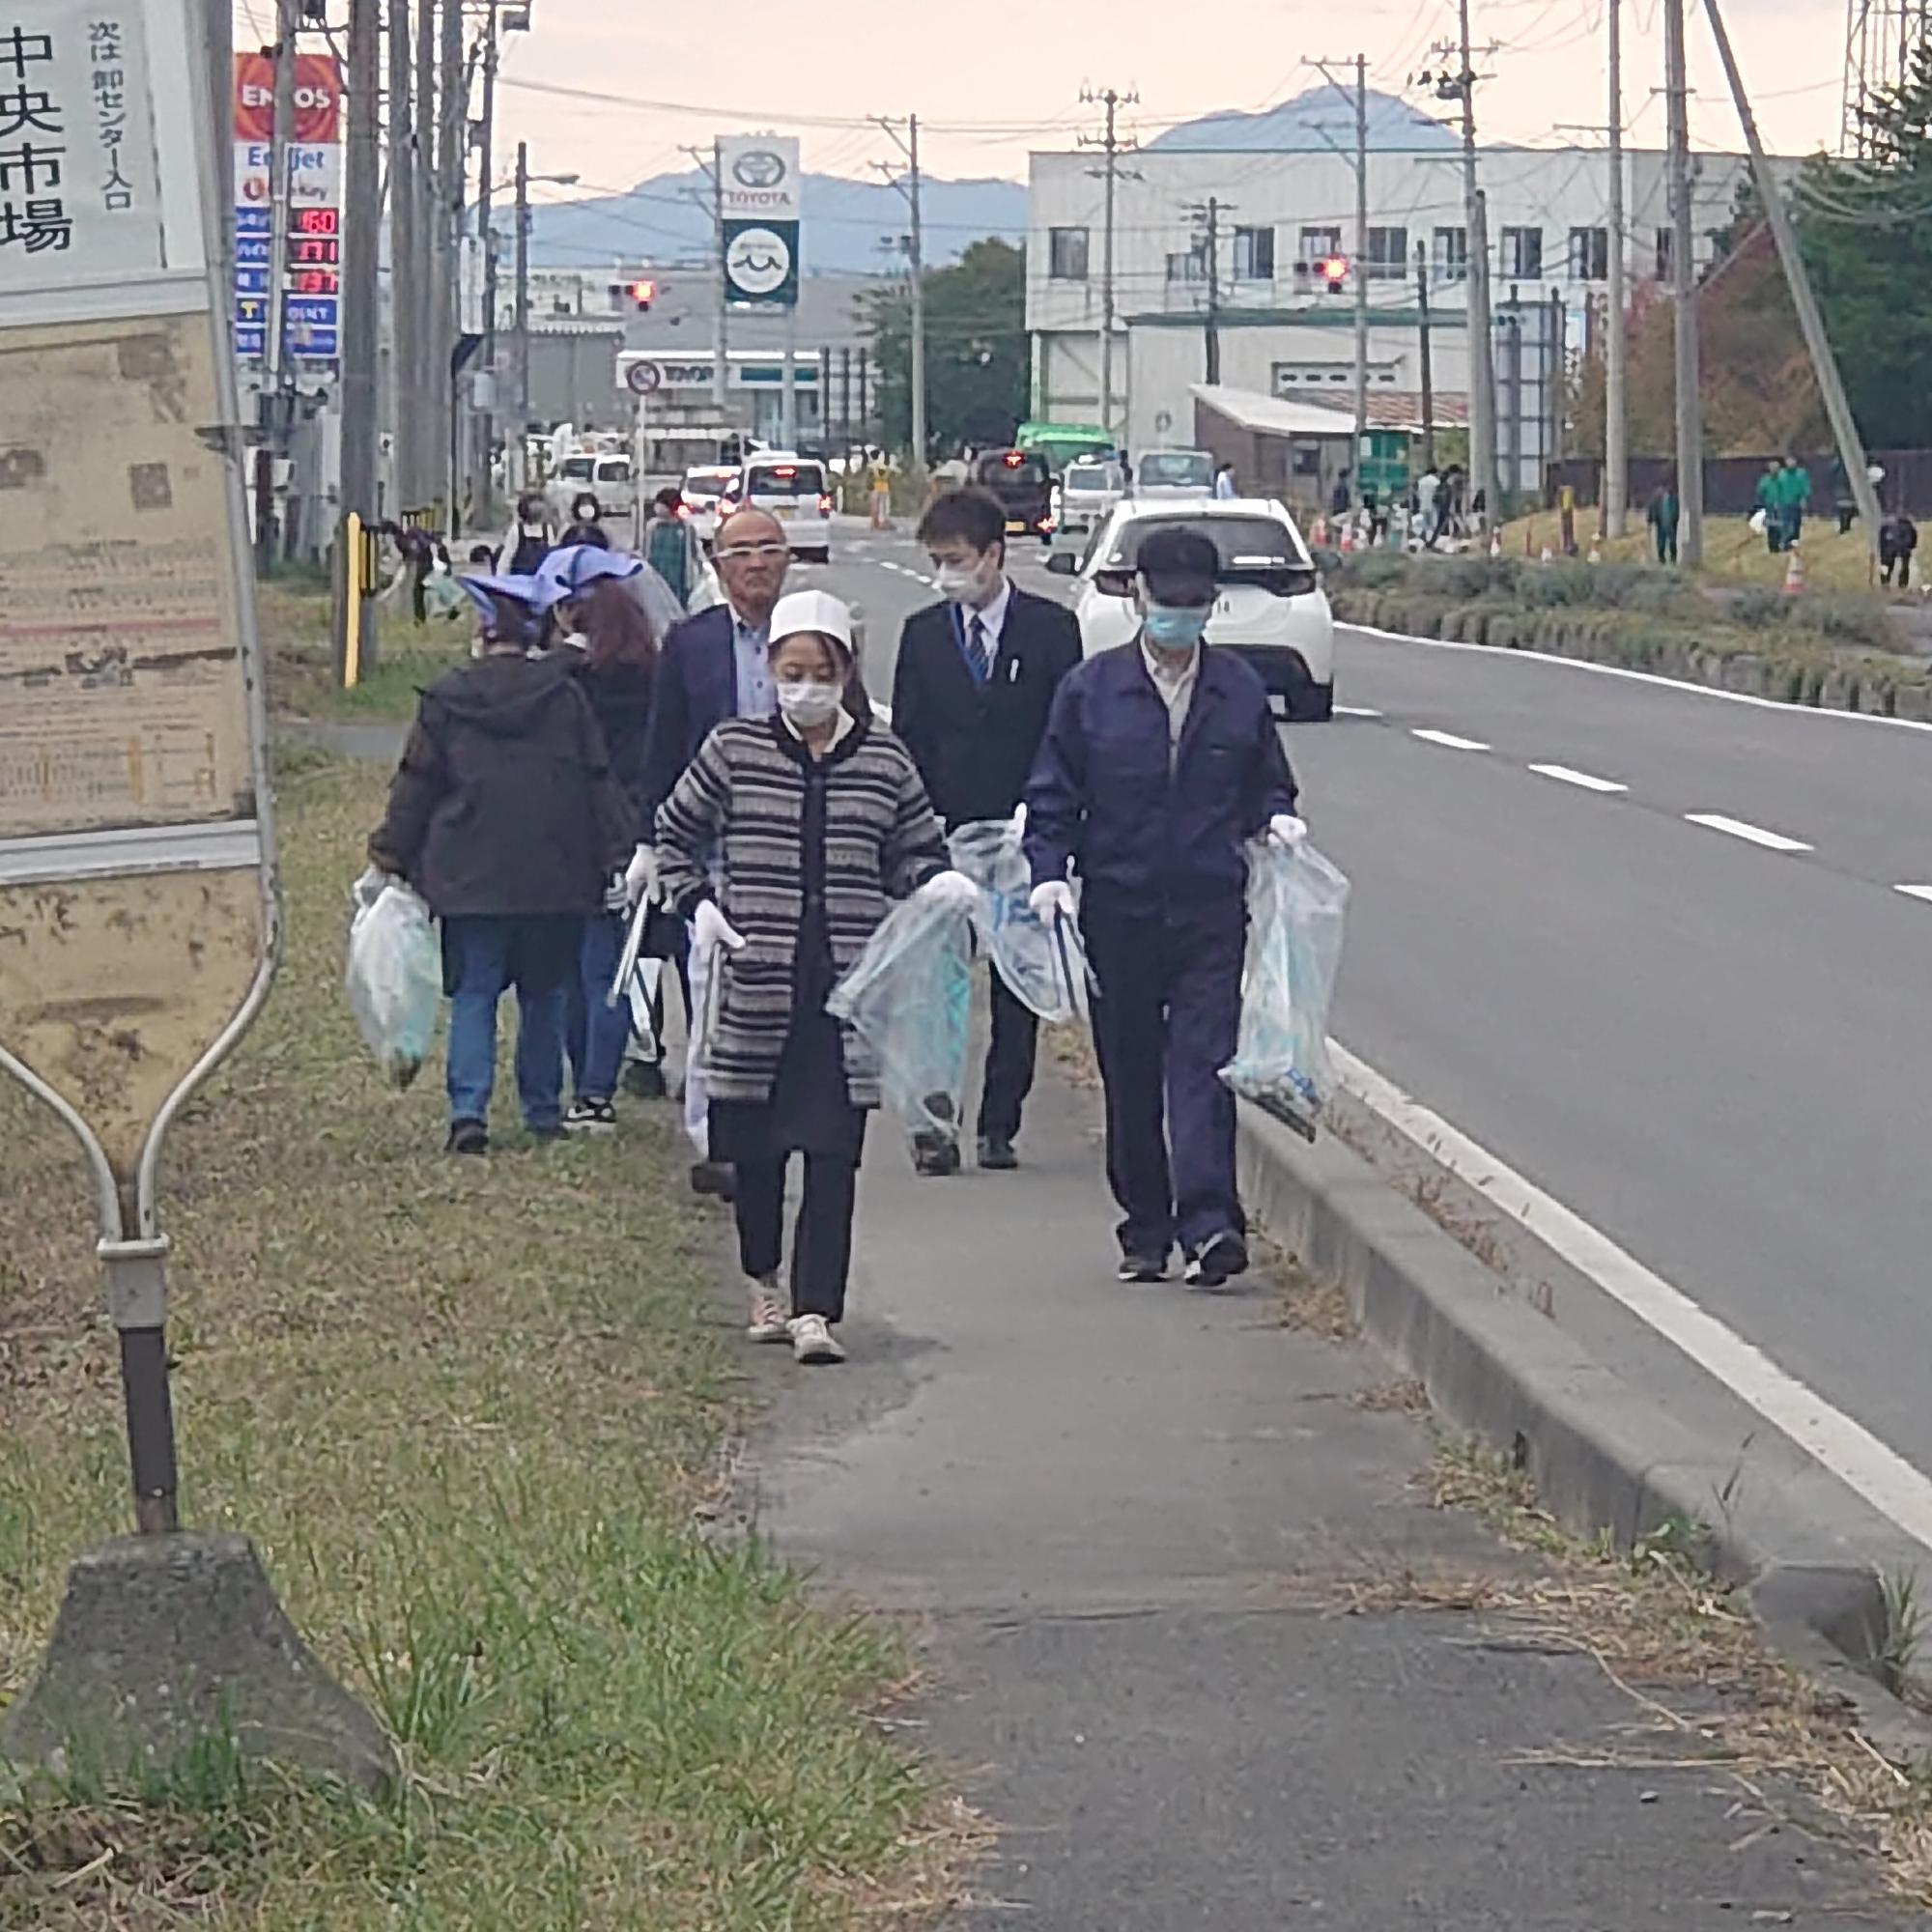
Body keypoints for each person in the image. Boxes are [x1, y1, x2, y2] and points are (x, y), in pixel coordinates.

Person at [655, 589, 970, 1365]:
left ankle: (816, 1310)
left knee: (833, 1158)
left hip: (847, 996)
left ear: (845, 673)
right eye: (789, 671)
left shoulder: (883, 759)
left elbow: (918, 844)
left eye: (818, 671)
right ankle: (765, 1282)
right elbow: (672, 835)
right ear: (770, 673)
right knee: (755, 1157)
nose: (804, 686)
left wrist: (933, 881)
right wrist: (696, 905)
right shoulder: (734, 749)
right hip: (755, 986)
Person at [1025, 528, 1301, 1290]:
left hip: (1211, 907)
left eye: (1193, 605)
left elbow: (1267, 781)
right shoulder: (1092, 690)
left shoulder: (1239, 689)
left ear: (1210, 606)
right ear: (1138, 597)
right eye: (1166, 603)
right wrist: (1048, 873)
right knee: (1132, 1072)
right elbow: (1054, 794)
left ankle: (1211, 1224)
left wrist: (1276, 819)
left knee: (1205, 1065)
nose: (1178, 619)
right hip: (1118, 907)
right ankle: (1145, 1226)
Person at [369, 574, 637, 1154]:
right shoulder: (564, 696)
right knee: (545, 995)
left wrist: (390, 854)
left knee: (475, 993)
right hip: (556, 871)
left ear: (481, 634)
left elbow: (418, 784)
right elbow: (596, 779)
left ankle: (469, 1113)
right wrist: (618, 853)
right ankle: (541, 1110)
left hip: (469, 873)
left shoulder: (447, 697)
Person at [892, 487, 1084, 1174]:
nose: (946, 574)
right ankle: (933, 1118)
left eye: (956, 560)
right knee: (938, 983)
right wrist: (916, 825)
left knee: (1015, 984)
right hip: (944, 833)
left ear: (993, 556)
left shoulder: (1051, 630)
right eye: (937, 562)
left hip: (1022, 833)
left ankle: (1001, 1119)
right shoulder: (923, 634)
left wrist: (1048, 816)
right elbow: (908, 735)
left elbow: (1069, 732)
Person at [636, 506, 795, 1197]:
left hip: (796, 843)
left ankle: (779, 1125)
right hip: (716, 847)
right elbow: (663, 744)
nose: (757, 563)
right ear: (719, 564)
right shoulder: (690, 644)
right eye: (742, 552)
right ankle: (717, 1139)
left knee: (787, 995)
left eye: (769, 549)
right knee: (709, 992)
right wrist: (653, 838)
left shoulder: (813, 634)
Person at [551, 575, 668, 1128]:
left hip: (569, 833)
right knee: (612, 969)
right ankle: (598, 1090)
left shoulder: (562, 681)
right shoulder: (655, 676)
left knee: (570, 972)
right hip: (629, 835)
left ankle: (579, 1077)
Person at [641, 486, 704, 608]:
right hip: (656, 579)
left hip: (679, 582)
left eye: (661, 503)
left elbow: (695, 553)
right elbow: (645, 552)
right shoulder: (652, 527)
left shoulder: (686, 528)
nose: (657, 507)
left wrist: (698, 574)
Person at [498, 493, 556, 577]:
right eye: (533, 503)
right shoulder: (516, 530)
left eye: (540, 503)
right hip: (518, 579)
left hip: (539, 579)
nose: (538, 507)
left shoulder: (547, 529)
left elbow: (552, 558)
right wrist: (501, 579)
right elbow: (506, 558)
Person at [1880, 505, 1918, 588]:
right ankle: (1900, 583)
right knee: (1901, 566)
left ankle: (1886, 582)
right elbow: (1913, 537)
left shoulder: (1888, 524)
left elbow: (1882, 539)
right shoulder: (1907, 525)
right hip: (1898, 548)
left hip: (1893, 548)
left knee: (1889, 565)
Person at [1778, 457, 1812, 551]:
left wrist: (1804, 498)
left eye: (1793, 463)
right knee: (1785, 522)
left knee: (1796, 522)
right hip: (1784, 502)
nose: (1791, 465)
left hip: (1796, 502)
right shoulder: (1781, 474)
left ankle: (1794, 539)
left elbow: (1806, 486)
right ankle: (1784, 542)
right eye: (1789, 463)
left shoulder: (1801, 474)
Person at [1647, 478, 1680, 566]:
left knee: (1670, 540)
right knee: (1663, 540)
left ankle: (1671, 558)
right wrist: (1650, 520)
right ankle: (1663, 558)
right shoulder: (1658, 497)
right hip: (1662, 522)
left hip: (1669, 522)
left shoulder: (1673, 498)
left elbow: (1676, 511)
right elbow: (1652, 508)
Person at [1754, 461, 1783, 553]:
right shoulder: (1765, 480)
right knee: (1771, 527)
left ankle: (1780, 545)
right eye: (1773, 468)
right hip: (1769, 507)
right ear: (1770, 469)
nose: (1775, 470)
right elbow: (1760, 493)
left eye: (1777, 468)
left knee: (1780, 526)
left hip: (1781, 506)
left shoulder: (1783, 479)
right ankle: (1772, 546)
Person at [1414, 463, 1441, 547]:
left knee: (1424, 521)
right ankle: (1429, 541)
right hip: (1432, 503)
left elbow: (1418, 492)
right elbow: (1437, 492)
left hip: (1423, 503)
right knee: (1432, 523)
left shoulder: (1421, 480)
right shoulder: (1436, 481)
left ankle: (1424, 538)